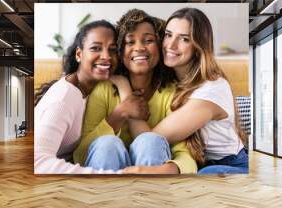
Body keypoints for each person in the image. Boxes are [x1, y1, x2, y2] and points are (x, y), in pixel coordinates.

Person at [114, 8, 248, 174]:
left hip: (230, 164)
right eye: (169, 35)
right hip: (198, 161)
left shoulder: (211, 90)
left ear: (199, 46)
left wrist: (124, 88)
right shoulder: (171, 79)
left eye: (184, 39)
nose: (171, 45)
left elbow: (150, 138)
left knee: (206, 175)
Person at [72, 9, 197, 174]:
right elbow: (81, 154)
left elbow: (185, 155)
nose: (139, 48)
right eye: (130, 42)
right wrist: (119, 114)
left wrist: (172, 168)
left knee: (150, 141)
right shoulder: (104, 89)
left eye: (148, 40)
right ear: (120, 51)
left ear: (160, 47)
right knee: (107, 144)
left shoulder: (172, 92)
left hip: (152, 176)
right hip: (107, 180)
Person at [34, 20, 120, 174]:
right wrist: (114, 175)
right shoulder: (64, 99)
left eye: (112, 50)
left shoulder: (95, 90)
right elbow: (38, 161)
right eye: (96, 48)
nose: (106, 56)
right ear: (79, 54)